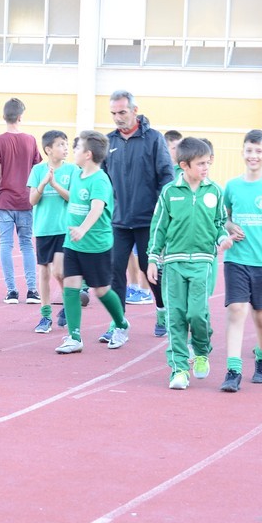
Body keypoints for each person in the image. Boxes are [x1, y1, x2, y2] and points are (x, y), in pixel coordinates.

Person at [146, 137, 231, 390]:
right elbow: (159, 227)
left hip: (203, 262)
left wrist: (223, 237)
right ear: (184, 165)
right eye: (200, 163)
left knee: (196, 313)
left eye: (207, 163)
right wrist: (153, 258)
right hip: (173, 262)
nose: (206, 167)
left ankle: (202, 350)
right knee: (176, 316)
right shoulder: (170, 192)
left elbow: (219, 223)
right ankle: (179, 369)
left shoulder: (215, 191)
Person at [219, 130, 262, 393]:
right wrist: (229, 226)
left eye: (258, 151)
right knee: (237, 309)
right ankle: (233, 369)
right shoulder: (231, 186)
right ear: (243, 152)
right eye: (249, 150)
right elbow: (223, 218)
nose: (253, 155)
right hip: (237, 259)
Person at [103, 90, 175, 340]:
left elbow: (167, 176)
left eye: (122, 112)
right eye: (113, 113)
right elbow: (102, 180)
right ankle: (118, 322)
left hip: (148, 220)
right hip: (118, 220)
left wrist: (163, 211)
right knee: (115, 271)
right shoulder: (108, 142)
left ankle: (162, 310)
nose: (118, 117)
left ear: (135, 110)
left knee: (149, 269)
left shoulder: (154, 139)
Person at [55, 131, 130, 354]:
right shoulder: (78, 175)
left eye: (77, 148)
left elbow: (97, 208)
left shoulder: (100, 180)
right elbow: (74, 198)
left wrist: (83, 229)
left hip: (96, 245)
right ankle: (74, 337)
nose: (74, 151)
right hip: (73, 243)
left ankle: (122, 324)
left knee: (101, 290)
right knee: (70, 287)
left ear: (88, 154)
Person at [0, 97, 42, 305]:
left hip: (5, 201)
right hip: (26, 200)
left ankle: (11, 291)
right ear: (20, 116)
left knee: (5, 245)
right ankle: (32, 291)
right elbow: (37, 169)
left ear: (4, 116)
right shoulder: (30, 140)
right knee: (27, 245)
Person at [27, 129, 80, 333]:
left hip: (63, 228)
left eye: (66, 144)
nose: (65, 148)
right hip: (43, 228)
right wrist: (43, 183)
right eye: (60, 144)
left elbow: (73, 198)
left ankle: (69, 303)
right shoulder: (37, 170)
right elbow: (32, 200)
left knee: (59, 271)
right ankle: (45, 315)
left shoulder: (72, 170)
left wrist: (55, 184)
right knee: (44, 271)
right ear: (48, 149)